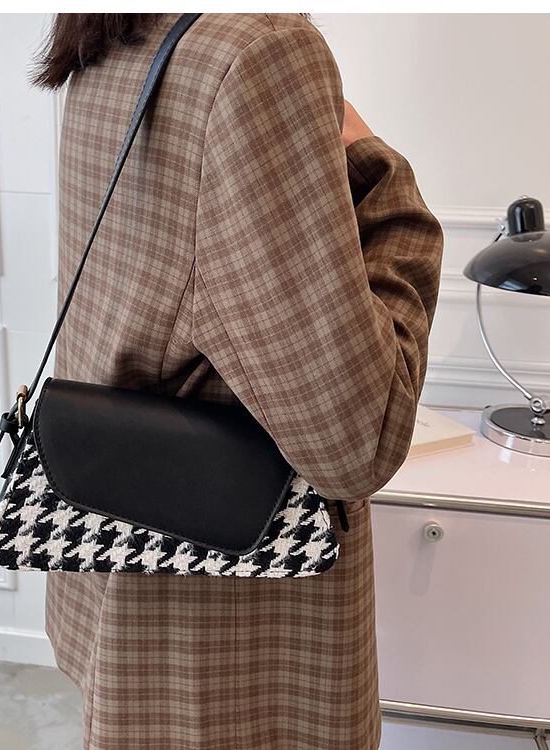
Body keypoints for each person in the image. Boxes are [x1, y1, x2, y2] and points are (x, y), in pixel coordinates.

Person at [33, 12, 444, 750]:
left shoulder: (119, 30)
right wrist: (378, 171)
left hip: (119, 562)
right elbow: (359, 442)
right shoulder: (258, 57)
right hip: (227, 627)